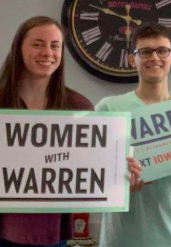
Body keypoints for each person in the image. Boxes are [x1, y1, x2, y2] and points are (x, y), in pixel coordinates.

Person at [96, 22, 171, 247]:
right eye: (145, 51)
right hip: (122, 240)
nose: (154, 57)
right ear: (132, 59)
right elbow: (93, 176)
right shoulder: (108, 108)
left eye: (162, 51)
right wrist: (120, 181)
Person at [0, 16, 93, 246]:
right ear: (19, 48)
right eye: (37, 44)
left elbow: (91, 167)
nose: (48, 52)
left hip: (51, 231)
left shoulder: (79, 108)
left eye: (55, 45)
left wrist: (120, 172)